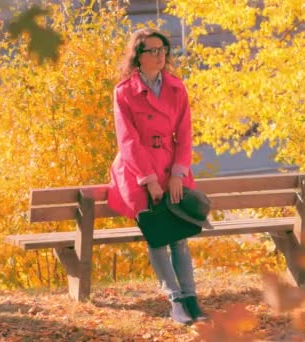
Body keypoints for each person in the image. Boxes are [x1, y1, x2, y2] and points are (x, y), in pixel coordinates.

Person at [106, 28, 206, 325]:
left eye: (164, 49)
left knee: (180, 237)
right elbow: (127, 140)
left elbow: (185, 134)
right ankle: (175, 301)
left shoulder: (177, 87)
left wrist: (178, 174)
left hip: (171, 165)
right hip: (136, 168)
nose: (161, 55)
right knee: (158, 236)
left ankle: (191, 299)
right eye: (153, 50)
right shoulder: (124, 92)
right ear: (138, 55)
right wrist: (148, 178)